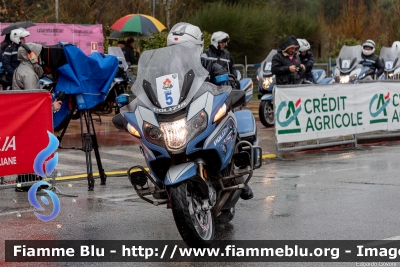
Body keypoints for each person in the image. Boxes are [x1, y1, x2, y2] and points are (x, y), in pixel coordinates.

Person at [166, 22, 252, 200]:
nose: (179, 52)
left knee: (229, 121)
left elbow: (224, 76)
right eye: (175, 48)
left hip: (203, 111)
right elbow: (150, 86)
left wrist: (227, 82)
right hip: (178, 116)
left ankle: (238, 174)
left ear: (196, 48)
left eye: (184, 48)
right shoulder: (165, 70)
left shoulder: (207, 63)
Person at [12, 42, 62, 192]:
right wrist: (51, 107)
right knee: (31, 148)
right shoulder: (28, 74)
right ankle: (27, 182)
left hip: (22, 116)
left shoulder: (24, 69)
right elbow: (33, 102)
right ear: (31, 56)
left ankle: (31, 180)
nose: (40, 57)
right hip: (28, 118)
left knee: (28, 148)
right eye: (37, 54)